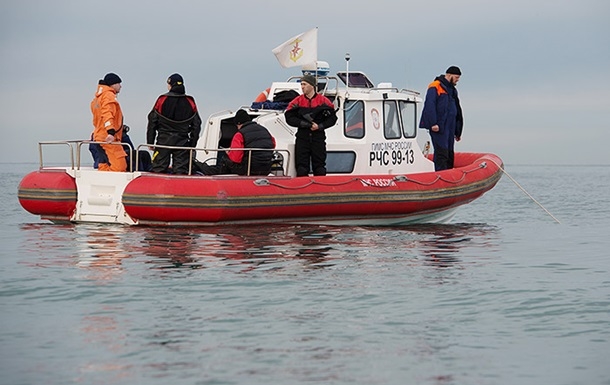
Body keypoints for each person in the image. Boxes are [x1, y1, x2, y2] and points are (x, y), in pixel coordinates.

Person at [147, 73, 202, 175]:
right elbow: (197, 124)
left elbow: (152, 121)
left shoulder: (162, 100)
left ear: (170, 85)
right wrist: (192, 144)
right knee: (181, 172)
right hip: (182, 142)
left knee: (158, 170)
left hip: (163, 142)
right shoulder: (190, 101)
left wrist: (150, 141)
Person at [284, 74, 337, 176]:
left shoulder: (323, 101)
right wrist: (304, 124)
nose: (302, 87)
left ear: (312, 85)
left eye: (304, 84)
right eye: (301, 84)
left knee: (320, 167)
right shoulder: (297, 101)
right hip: (302, 137)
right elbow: (289, 118)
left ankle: (321, 189)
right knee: (301, 168)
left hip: (318, 138)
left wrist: (320, 126)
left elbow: (333, 119)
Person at [197, 109, 276, 176]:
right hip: (266, 168)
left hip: (249, 169)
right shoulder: (265, 131)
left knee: (225, 160)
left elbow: (236, 158)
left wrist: (229, 153)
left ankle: (205, 171)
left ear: (238, 123)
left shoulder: (240, 134)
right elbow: (273, 144)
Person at [419, 66, 464, 171]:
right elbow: (430, 105)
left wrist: (458, 131)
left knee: (449, 153)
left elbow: (457, 110)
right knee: (441, 153)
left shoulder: (453, 90)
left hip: (450, 127)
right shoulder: (435, 86)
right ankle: (440, 174)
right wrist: (432, 123)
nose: (457, 80)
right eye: (456, 77)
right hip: (439, 127)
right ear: (449, 75)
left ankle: (449, 174)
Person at [90, 72, 128, 172]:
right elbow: (107, 115)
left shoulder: (97, 99)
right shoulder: (108, 96)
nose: (121, 86)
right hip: (108, 138)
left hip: (99, 136)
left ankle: (102, 179)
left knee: (103, 162)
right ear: (113, 84)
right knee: (120, 166)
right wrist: (111, 132)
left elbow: (97, 119)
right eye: (119, 83)